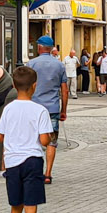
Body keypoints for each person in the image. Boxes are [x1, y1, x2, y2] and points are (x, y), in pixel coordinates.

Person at [0, 64, 53, 213]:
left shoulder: (8, 109)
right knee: (31, 208)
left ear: (13, 84)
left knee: (15, 207)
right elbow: (45, 140)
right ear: (34, 86)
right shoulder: (40, 110)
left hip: (12, 162)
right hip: (32, 160)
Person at [27, 34, 70, 168]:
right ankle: (48, 173)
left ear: (39, 47)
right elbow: (65, 90)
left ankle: (36, 169)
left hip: (34, 107)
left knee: (34, 140)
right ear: (51, 49)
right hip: (52, 108)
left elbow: (26, 86)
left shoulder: (31, 64)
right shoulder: (59, 65)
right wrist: (63, 110)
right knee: (51, 141)